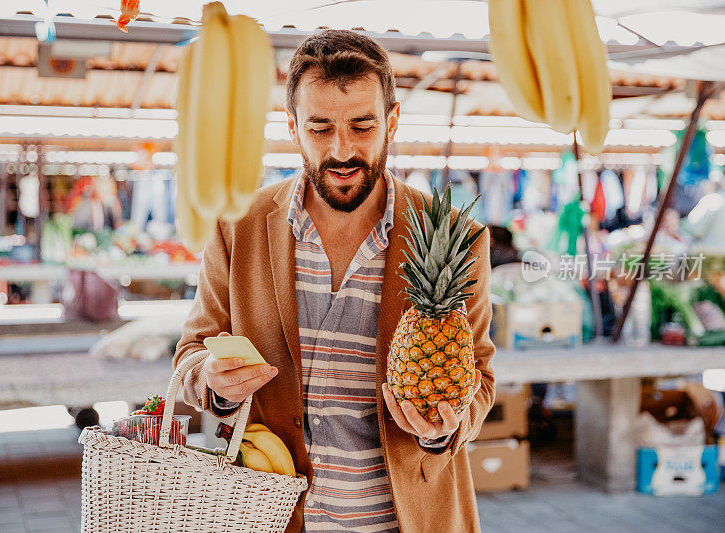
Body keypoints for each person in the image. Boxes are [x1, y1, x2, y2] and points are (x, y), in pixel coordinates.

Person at [174, 30, 495, 533]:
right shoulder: (237, 226)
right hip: (275, 518)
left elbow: (479, 375)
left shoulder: (458, 239)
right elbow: (192, 351)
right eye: (319, 128)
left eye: (362, 126)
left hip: (409, 520)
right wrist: (211, 383)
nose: (342, 150)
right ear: (292, 127)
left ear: (391, 123)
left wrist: (445, 428)